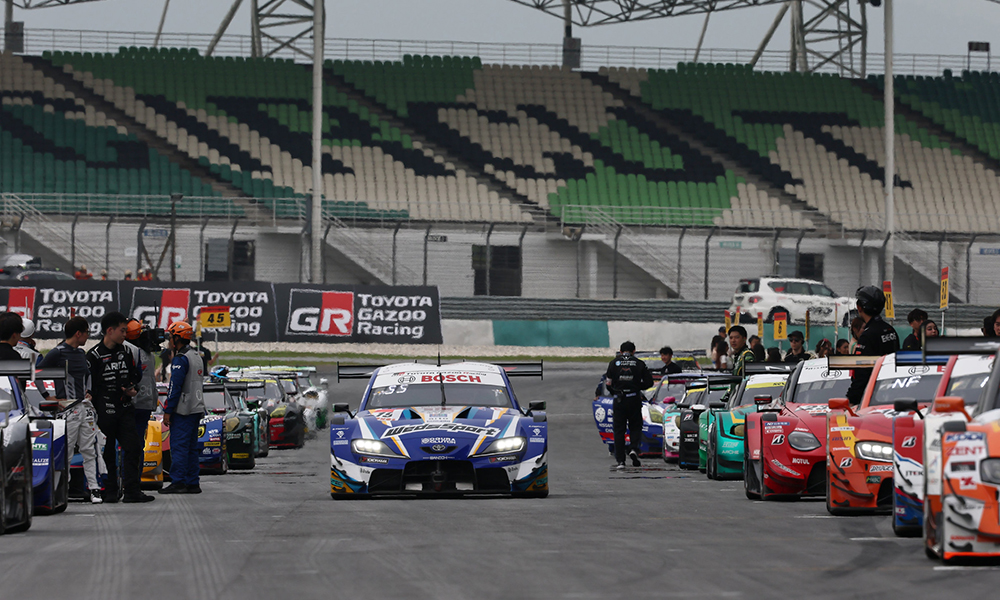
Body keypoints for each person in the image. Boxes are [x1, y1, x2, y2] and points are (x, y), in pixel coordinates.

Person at [86, 312, 154, 504]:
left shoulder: (127, 352)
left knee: (133, 448)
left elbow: (135, 375)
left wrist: (133, 389)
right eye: (122, 330)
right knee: (107, 451)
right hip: (104, 409)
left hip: (125, 407)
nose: (125, 334)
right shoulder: (93, 355)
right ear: (110, 330)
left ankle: (132, 490)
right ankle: (110, 491)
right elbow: (89, 385)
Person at [39, 317, 103, 504]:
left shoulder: (81, 353)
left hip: (84, 407)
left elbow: (88, 376)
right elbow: (37, 374)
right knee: (65, 452)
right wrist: (48, 396)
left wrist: (89, 392)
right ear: (78, 333)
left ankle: (94, 489)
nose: (88, 336)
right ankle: (61, 490)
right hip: (67, 409)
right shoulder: (57, 352)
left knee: (89, 450)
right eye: (87, 332)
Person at [160, 321, 206, 494]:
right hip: (197, 407)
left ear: (177, 338)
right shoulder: (196, 355)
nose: (169, 340)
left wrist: (168, 410)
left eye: (171, 337)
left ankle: (178, 481)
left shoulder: (181, 358)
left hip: (183, 409)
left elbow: (174, 387)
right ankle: (193, 482)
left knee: (179, 446)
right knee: (192, 447)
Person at [602, 341, 653, 470]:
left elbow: (608, 384)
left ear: (620, 351)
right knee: (635, 426)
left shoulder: (613, 363)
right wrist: (636, 387)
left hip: (619, 400)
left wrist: (616, 392)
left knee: (619, 430)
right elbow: (649, 382)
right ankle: (634, 449)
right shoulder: (639, 363)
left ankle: (621, 461)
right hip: (634, 398)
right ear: (634, 351)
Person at [846, 286, 900, 406]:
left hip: (873, 397)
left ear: (859, 307)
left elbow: (862, 373)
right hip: (893, 391)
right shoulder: (890, 330)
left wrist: (852, 399)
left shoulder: (867, 335)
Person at [124, 319, 158, 444]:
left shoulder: (129, 352)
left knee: (129, 442)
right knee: (139, 441)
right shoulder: (150, 355)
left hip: (133, 403)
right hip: (147, 401)